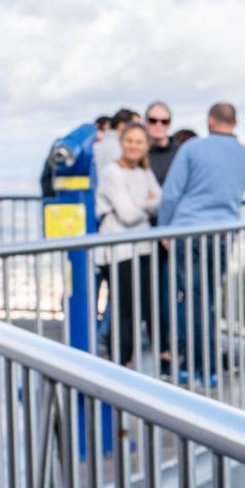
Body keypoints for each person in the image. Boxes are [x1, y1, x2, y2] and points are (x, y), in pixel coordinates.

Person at [157, 103, 245, 380]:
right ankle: (205, 367)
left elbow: (170, 194)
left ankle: (193, 365)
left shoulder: (192, 149)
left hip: (185, 233)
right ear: (235, 122)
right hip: (220, 237)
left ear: (210, 122)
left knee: (188, 300)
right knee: (206, 300)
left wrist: (163, 230)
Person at [96, 122, 160, 368]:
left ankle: (127, 361)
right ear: (122, 143)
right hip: (119, 252)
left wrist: (138, 204)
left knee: (138, 308)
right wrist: (146, 204)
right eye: (129, 140)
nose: (134, 146)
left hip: (141, 249)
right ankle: (119, 362)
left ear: (146, 146)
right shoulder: (112, 172)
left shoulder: (144, 172)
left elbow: (161, 199)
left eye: (139, 141)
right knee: (124, 310)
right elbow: (128, 214)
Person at [143, 102, 182, 183]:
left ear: (169, 124)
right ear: (145, 122)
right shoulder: (137, 151)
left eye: (164, 121)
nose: (158, 124)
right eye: (153, 120)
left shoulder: (181, 152)